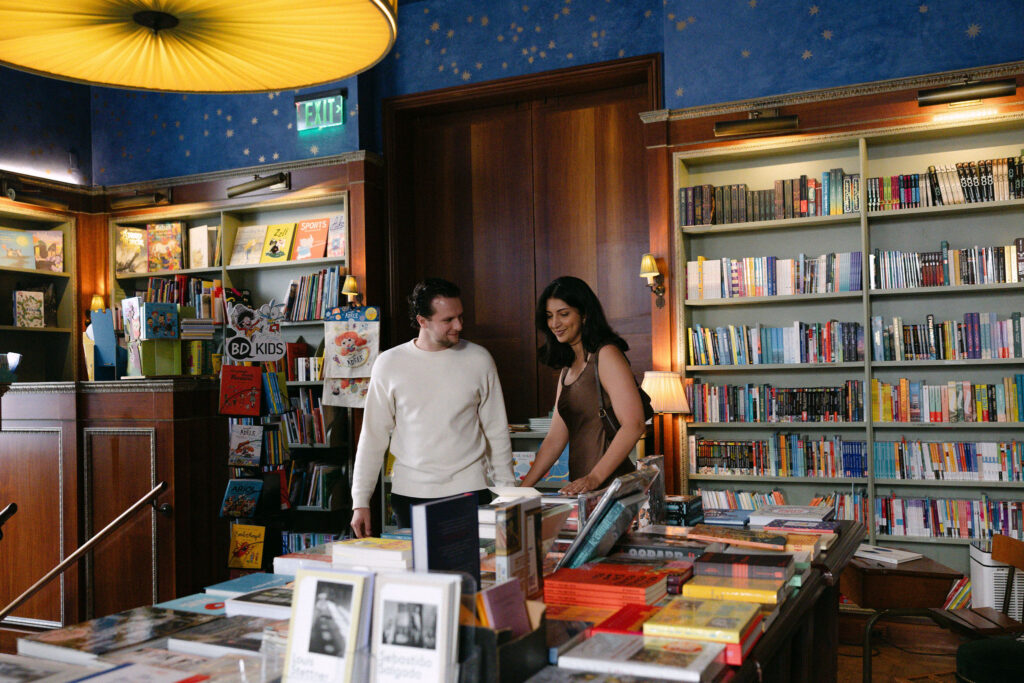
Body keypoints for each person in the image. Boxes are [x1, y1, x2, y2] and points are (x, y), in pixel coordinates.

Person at [349, 278, 516, 536]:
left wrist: (508, 494)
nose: (459, 325)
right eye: (448, 320)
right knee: (420, 574)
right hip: (410, 495)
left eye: (460, 317)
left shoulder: (479, 359)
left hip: (470, 491)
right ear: (422, 321)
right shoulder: (389, 363)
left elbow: (497, 431)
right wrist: (360, 501)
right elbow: (372, 436)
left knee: (474, 572)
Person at [520, 276, 646, 495]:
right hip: (583, 489)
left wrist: (593, 478)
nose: (555, 324)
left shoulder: (606, 355)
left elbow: (634, 424)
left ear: (585, 314)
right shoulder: (567, 369)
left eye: (564, 314)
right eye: (549, 316)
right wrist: (521, 490)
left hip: (611, 487)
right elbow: (554, 439)